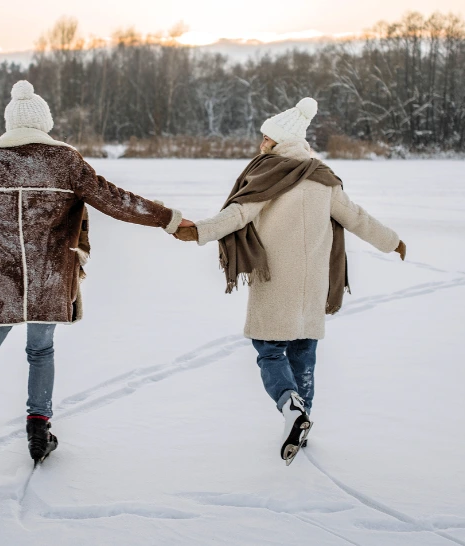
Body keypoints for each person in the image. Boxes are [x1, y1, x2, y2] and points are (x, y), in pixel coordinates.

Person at [0, 80, 189, 524]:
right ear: (44, 124)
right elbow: (117, 201)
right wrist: (169, 219)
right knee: (41, 351)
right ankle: (40, 430)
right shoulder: (65, 162)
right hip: (48, 283)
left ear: (9, 124)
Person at [173, 97, 406, 465]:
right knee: (303, 356)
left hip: (275, 280)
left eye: (266, 137)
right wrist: (392, 241)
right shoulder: (323, 179)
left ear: (278, 141)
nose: (261, 142)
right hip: (313, 284)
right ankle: (302, 425)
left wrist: (198, 230)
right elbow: (357, 218)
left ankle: (289, 405)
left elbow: (237, 214)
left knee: (269, 350)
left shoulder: (269, 175)